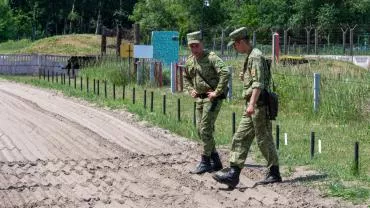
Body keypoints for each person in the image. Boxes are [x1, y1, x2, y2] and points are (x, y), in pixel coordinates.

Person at [212, 27, 282, 188]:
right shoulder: (250, 56)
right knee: (240, 137)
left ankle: (274, 172)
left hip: (258, 105)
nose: (235, 48)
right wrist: (245, 77)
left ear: (241, 42)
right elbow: (255, 79)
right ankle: (233, 174)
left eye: (235, 45)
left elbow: (259, 83)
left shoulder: (255, 56)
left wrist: (251, 104)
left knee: (264, 140)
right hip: (252, 105)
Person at [184, 31, 230, 174]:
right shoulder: (190, 60)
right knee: (200, 130)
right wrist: (190, 89)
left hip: (212, 98)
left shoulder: (211, 57)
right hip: (199, 98)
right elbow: (185, 76)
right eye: (191, 46)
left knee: (205, 128)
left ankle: (205, 161)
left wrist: (217, 91)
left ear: (202, 44)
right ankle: (215, 160)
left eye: (196, 45)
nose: (194, 49)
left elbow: (225, 72)